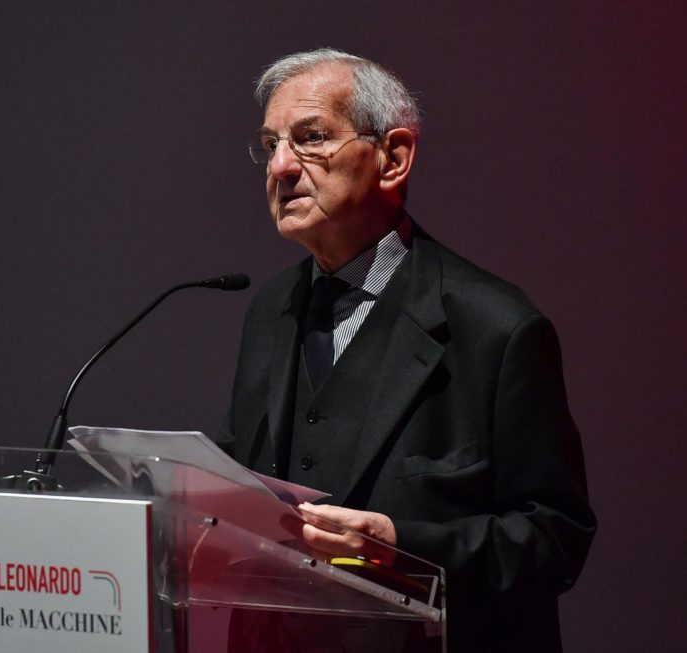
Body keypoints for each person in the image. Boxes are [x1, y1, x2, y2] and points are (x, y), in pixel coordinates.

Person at [217, 48, 596, 651]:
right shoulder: (270, 310)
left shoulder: (496, 327)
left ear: (393, 158)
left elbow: (554, 539)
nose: (281, 166)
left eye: (311, 138)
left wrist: (400, 545)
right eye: (270, 145)